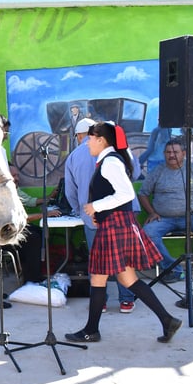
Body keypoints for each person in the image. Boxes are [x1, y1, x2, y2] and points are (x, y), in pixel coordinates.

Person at [65, 122, 182, 344]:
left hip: (115, 227)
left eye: (90, 138)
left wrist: (95, 207)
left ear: (101, 140)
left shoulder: (110, 163)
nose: (87, 142)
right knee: (127, 279)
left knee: (99, 278)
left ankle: (91, 330)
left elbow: (126, 194)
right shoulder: (111, 160)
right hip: (117, 225)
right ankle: (167, 320)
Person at [65, 118, 142, 313]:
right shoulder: (119, 152)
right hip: (122, 216)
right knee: (124, 261)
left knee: (98, 261)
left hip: (95, 219)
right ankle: (126, 300)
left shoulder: (74, 156)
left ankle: (102, 302)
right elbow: (134, 174)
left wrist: (82, 210)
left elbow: (70, 191)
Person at [138, 137, 193, 282]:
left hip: (192, 216)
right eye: (168, 152)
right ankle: (173, 269)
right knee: (147, 233)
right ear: (164, 154)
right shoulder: (157, 171)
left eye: (175, 152)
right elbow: (143, 193)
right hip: (163, 218)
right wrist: (151, 212)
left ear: (183, 153)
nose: (171, 155)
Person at [0, 164, 58, 308]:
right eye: (13, 176)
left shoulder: (12, 189)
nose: (16, 179)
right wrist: (43, 214)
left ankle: (30, 278)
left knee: (34, 234)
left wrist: (50, 198)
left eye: (17, 176)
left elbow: (29, 203)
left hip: (2, 230)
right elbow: (16, 218)